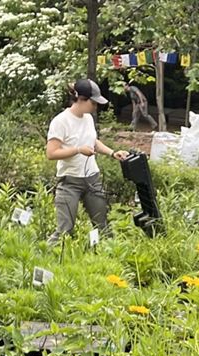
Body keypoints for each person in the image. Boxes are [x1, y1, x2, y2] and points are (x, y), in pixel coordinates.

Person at [44, 78, 130, 242]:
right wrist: (78, 150)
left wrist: (113, 153)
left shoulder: (88, 118)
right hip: (70, 181)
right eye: (93, 102)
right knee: (65, 230)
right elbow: (51, 153)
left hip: (92, 179)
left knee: (102, 226)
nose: (96, 107)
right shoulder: (61, 121)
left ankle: (103, 259)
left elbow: (93, 142)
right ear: (81, 99)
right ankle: (44, 259)